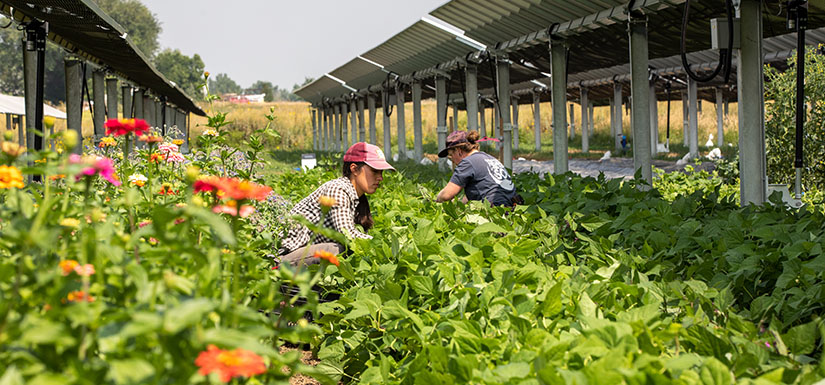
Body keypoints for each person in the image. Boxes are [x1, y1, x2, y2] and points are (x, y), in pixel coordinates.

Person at [277, 142, 395, 266]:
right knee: (337, 250)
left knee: (348, 251)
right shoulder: (338, 189)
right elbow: (347, 233)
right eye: (375, 171)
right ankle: (273, 271)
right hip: (285, 255)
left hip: (305, 253)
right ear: (354, 169)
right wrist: (385, 245)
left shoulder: (358, 198)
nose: (380, 177)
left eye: (381, 172)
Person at [436, 130, 521, 206]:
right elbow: (483, 189)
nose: (453, 161)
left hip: (494, 209)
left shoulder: (468, 162)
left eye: (451, 155)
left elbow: (446, 195)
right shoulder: (489, 158)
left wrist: (436, 200)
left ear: (459, 151)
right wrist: (458, 204)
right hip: (512, 207)